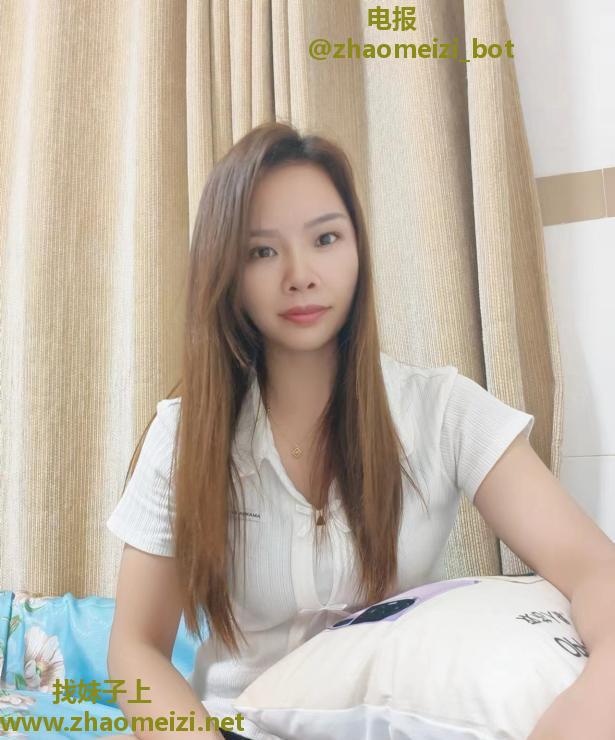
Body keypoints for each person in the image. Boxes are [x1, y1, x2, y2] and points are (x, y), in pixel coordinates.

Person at [105, 121, 534, 740]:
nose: (300, 274)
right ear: (227, 273)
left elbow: (591, 570)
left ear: (357, 248)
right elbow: (135, 649)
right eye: (262, 251)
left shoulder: (443, 410)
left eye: (325, 238)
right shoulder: (183, 438)